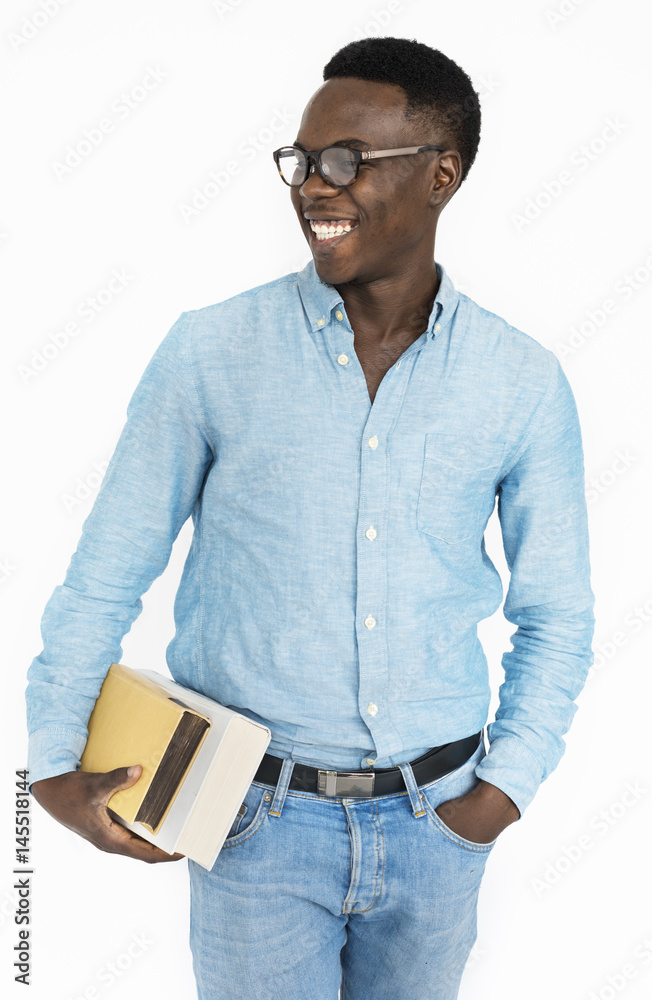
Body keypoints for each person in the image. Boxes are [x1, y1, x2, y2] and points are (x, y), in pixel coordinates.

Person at [26, 36, 595, 1000]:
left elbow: (561, 616)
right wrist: (48, 761)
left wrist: (498, 798)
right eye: (301, 161)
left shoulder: (523, 382)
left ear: (442, 175)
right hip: (251, 824)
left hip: (441, 829)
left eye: (346, 162)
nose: (312, 188)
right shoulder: (212, 351)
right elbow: (106, 571)